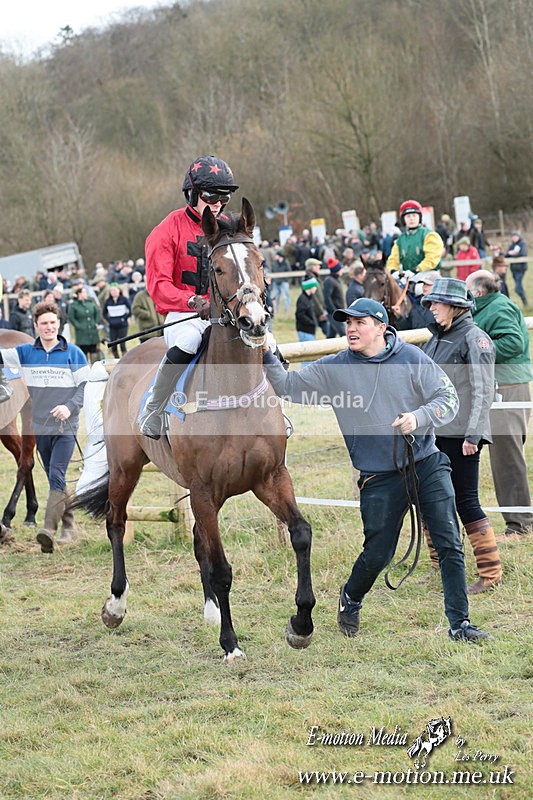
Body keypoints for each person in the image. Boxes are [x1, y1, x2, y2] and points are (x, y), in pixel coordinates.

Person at [262, 296, 492, 643]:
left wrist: (420, 417)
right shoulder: (334, 367)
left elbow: (449, 399)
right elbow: (287, 386)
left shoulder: (413, 358)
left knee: (449, 542)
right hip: (378, 476)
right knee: (378, 553)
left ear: (381, 328)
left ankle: (459, 624)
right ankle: (351, 598)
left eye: (360, 322)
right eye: (348, 323)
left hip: (426, 462)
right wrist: (266, 351)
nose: (351, 329)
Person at [139, 155, 239, 439]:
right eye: (211, 195)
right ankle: (154, 408)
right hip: (185, 314)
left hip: (225, 312)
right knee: (189, 340)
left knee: (264, 339)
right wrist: (193, 301)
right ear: (193, 193)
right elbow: (158, 287)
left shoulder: (229, 227)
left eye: (225, 196)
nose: (218, 203)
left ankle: (276, 410)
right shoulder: (165, 231)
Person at [420, 277, 502, 594]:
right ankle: (441, 565)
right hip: (433, 435)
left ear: (455, 306)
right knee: (430, 500)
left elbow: (484, 390)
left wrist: (474, 435)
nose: (432, 307)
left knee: (466, 501)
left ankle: (490, 572)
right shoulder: (436, 339)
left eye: (437, 303)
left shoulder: (474, 339)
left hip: (462, 437)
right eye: (430, 303)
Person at [0, 301, 89, 552]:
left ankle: (48, 529)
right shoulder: (26, 352)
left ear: (58, 324)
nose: (49, 327)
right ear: (36, 326)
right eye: (44, 323)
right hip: (40, 427)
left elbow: (83, 387)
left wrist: (69, 407)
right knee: (52, 476)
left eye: (52, 322)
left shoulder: (74, 353)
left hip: (65, 426)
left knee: (57, 475)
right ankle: (69, 526)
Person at [466, 270, 533, 538]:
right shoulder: (489, 307)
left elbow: (514, 342)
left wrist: (478, 349)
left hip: (506, 388)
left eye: (467, 288)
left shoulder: (498, 308)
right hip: (502, 388)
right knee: (506, 456)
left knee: (507, 458)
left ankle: (521, 523)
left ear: (478, 292)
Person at [386, 200, 443, 274]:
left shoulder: (430, 235)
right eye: (408, 216)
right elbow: (393, 260)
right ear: (404, 219)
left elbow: (432, 258)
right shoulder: (400, 240)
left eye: (414, 215)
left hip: (428, 273)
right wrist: (393, 271)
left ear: (419, 217)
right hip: (408, 275)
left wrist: (417, 269)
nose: (411, 219)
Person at [68, 286, 102, 365]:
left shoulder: (90, 303)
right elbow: (71, 318)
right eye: (84, 292)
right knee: (83, 353)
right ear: (79, 294)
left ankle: (95, 369)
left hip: (93, 332)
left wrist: (95, 322)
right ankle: (85, 370)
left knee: (95, 353)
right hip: (82, 334)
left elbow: (97, 312)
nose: (86, 294)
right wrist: (78, 326)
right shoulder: (73, 305)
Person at [102, 283, 132, 358]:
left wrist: (124, 318)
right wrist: (109, 320)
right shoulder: (108, 301)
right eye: (111, 290)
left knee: (122, 344)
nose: (113, 292)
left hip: (122, 325)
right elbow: (104, 313)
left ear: (119, 290)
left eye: (115, 290)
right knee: (113, 345)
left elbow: (131, 310)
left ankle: (125, 359)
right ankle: (117, 359)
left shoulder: (124, 299)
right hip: (112, 325)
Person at [295, 277, 318, 367]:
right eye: (315, 286)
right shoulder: (303, 299)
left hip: (310, 330)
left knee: (311, 356)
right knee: (307, 357)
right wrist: (311, 322)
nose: (316, 288)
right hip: (305, 331)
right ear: (310, 287)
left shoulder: (309, 298)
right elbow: (299, 315)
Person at [504, 231, 528, 306]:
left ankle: (525, 301)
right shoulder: (512, 245)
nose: (514, 238)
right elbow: (506, 254)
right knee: (519, 286)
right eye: (513, 236)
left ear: (518, 236)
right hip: (513, 269)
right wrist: (510, 253)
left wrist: (513, 254)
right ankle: (526, 303)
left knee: (517, 288)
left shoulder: (523, 244)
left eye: (515, 236)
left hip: (521, 268)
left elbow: (523, 254)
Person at [323, 258, 345, 338]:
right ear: (337, 269)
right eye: (341, 268)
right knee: (343, 333)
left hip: (338, 311)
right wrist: (334, 310)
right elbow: (327, 297)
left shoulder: (336, 280)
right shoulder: (329, 281)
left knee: (331, 335)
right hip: (334, 312)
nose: (342, 270)